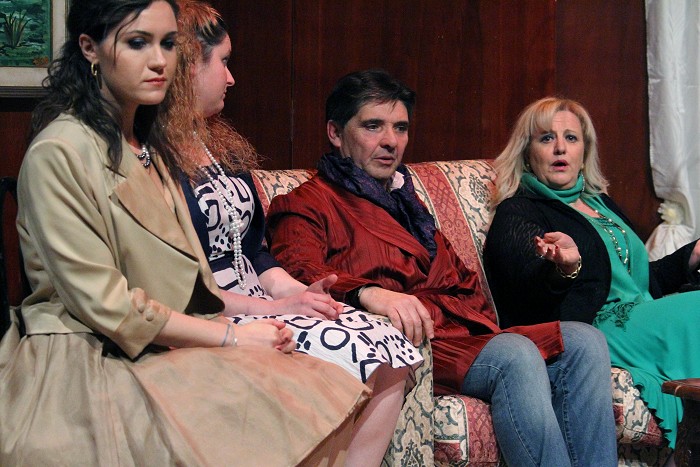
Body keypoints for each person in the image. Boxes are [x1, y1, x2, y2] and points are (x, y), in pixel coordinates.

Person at [0, 1, 370, 465]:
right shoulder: (60, 151)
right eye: (138, 43)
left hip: (159, 335)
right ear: (90, 48)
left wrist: (258, 319)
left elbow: (191, 280)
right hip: (88, 351)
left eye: (169, 44)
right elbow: (107, 305)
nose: (159, 61)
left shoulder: (146, 146)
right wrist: (232, 337)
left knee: (315, 388)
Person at [266, 69, 618, 467]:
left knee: (585, 342)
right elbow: (300, 274)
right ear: (335, 132)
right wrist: (370, 293)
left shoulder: (408, 205)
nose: (390, 141)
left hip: (456, 333)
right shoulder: (307, 203)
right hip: (408, 341)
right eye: (373, 126)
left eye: (400, 128)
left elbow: (465, 284)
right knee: (516, 353)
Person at [169, 3, 422, 466]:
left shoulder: (219, 147)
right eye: (223, 62)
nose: (231, 78)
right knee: (348, 346)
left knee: (385, 343)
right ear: (188, 66)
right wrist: (275, 308)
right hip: (209, 309)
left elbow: (256, 252)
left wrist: (299, 294)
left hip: (258, 296)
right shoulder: (153, 156)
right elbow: (176, 281)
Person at [484, 96, 700, 452]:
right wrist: (565, 269)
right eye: (546, 138)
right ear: (527, 152)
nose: (560, 148)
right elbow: (526, 292)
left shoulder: (601, 204)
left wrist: (692, 255)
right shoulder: (519, 211)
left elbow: (639, 282)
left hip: (639, 315)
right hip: (593, 328)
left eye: (571, 138)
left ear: (584, 151)